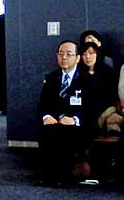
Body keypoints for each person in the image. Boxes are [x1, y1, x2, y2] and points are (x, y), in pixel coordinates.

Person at [37, 40, 95, 186]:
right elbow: (43, 104)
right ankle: (49, 175)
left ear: (77, 58)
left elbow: (92, 108)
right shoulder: (51, 78)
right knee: (48, 132)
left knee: (66, 133)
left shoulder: (87, 80)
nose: (64, 57)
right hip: (55, 122)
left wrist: (75, 119)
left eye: (69, 54)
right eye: (61, 54)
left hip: (79, 125)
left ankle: (63, 176)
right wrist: (46, 116)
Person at [79, 41, 117, 134]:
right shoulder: (77, 73)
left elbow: (112, 95)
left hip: (104, 109)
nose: (87, 57)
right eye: (84, 54)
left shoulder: (108, 72)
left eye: (91, 53)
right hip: (83, 110)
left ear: (97, 54)